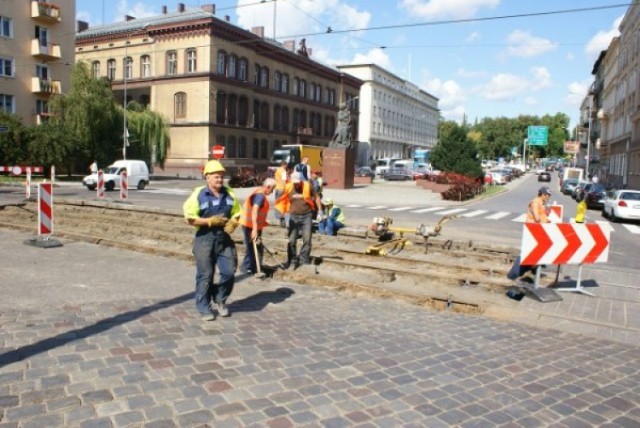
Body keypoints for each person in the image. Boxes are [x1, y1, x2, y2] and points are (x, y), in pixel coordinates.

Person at [183, 160, 241, 321]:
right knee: (205, 275)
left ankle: (220, 298)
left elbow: (237, 212)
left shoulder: (229, 193)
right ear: (207, 177)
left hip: (223, 238)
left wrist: (234, 222)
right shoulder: (199, 194)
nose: (220, 180)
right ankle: (203, 307)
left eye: (222, 177)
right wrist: (209, 221)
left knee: (229, 271)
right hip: (204, 239)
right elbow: (189, 218)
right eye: (216, 177)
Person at [275, 171, 322, 269]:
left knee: (307, 239)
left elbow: (317, 197)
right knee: (292, 240)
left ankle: (304, 258)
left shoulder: (308, 186)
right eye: (294, 183)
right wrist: (283, 214)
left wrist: (320, 211)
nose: (296, 184)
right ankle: (292, 259)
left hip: (307, 216)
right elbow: (282, 199)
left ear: (301, 180)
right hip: (293, 217)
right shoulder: (288, 187)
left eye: (297, 183)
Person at [239, 178, 276, 276]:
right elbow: (255, 211)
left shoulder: (259, 193)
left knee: (252, 248)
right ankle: (254, 270)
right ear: (268, 187)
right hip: (250, 226)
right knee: (255, 249)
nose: (272, 192)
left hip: (250, 225)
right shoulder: (260, 196)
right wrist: (255, 229)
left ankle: (247, 267)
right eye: (272, 189)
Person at [273, 160, 288, 226]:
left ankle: (279, 218)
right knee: (282, 204)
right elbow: (285, 180)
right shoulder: (283, 171)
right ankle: (282, 220)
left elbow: (276, 178)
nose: (287, 166)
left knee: (277, 203)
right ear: (284, 165)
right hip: (282, 188)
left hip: (277, 188)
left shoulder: (277, 170)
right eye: (286, 165)